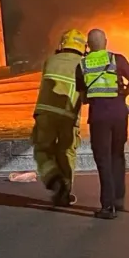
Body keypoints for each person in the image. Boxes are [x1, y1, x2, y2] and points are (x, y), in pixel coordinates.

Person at [76, 28, 129, 220]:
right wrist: (123, 94)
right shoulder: (116, 59)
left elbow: (83, 96)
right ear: (106, 41)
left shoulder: (82, 64)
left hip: (99, 118)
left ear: (88, 45)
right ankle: (119, 200)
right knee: (117, 155)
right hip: (119, 114)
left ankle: (107, 206)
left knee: (103, 160)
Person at [31, 28, 87, 207]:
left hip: (45, 114)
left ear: (63, 44)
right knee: (67, 153)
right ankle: (65, 192)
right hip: (69, 118)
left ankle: (54, 179)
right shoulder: (83, 65)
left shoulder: (50, 61)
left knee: (42, 150)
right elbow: (85, 96)